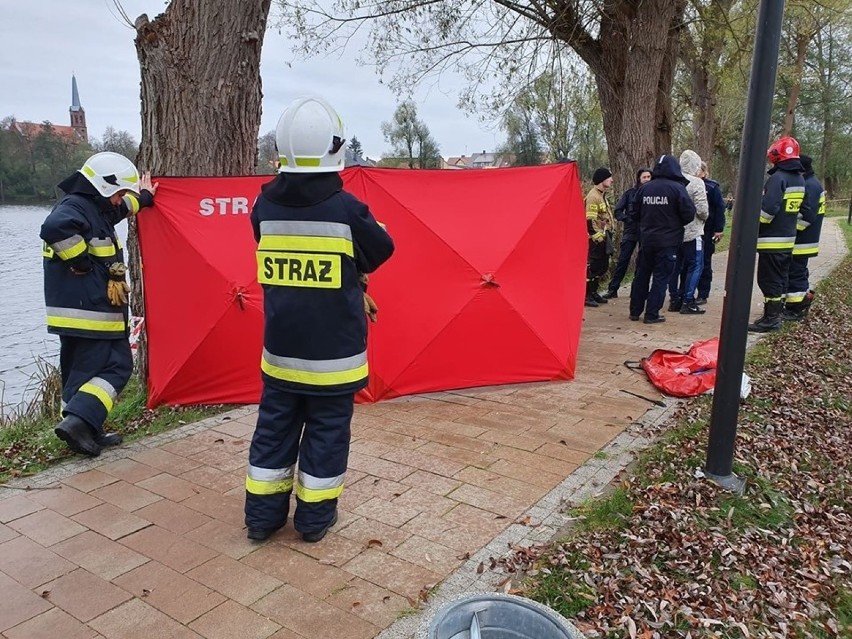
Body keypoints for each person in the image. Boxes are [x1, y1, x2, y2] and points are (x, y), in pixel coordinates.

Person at [244, 96, 395, 543]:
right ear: (335, 151)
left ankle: (262, 518)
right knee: (327, 436)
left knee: (273, 432)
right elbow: (381, 251)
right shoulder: (347, 210)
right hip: (334, 358)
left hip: (281, 354)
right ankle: (313, 521)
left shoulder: (263, 207)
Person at [40, 152, 158, 457]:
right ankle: (79, 422)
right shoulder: (74, 209)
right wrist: (79, 260)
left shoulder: (93, 207)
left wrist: (143, 198)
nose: (120, 200)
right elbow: (55, 228)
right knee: (119, 366)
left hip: (81, 313)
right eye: (119, 193)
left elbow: (117, 212)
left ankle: (86, 429)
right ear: (104, 188)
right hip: (90, 312)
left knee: (81, 374)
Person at [748, 136, 807, 332]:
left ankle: (771, 319)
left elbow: (767, 211)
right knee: (780, 279)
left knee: (768, 280)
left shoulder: (778, 178)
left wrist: (752, 227)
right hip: (788, 239)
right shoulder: (799, 178)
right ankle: (775, 315)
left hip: (771, 241)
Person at [628, 155, 696, 324]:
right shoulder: (678, 189)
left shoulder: (644, 189)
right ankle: (652, 314)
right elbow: (688, 214)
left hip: (647, 241)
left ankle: (635, 311)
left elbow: (634, 213)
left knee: (641, 276)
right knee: (661, 278)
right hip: (668, 243)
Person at [784, 153, 825, 321]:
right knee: (798, 271)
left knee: (796, 273)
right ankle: (798, 303)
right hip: (804, 239)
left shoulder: (810, 185)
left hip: (803, 240)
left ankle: (796, 309)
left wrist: (789, 230)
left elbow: (808, 216)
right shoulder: (811, 183)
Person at [668, 150, 709, 315]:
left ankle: (674, 299)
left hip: (674, 232)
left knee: (675, 267)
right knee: (696, 265)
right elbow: (702, 209)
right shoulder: (697, 183)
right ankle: (688, 300)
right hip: (693, 231)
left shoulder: (672, 181)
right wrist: (703, 219)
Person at [603, 167, 651, 298]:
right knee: (623, 260)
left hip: (646, 232)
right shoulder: (629, 194)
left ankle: (638, 290)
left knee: (643, 263)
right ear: (639, 179)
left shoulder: (653, 195)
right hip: (630, 231)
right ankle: (613, 289)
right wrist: (628, 219)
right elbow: (618, 211)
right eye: (644, 177)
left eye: (648, 177)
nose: (646, 179)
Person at [695, 161, 726, 305]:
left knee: (705, 262)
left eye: (698, 169)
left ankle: (703, 293)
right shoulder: (687, 184)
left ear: (704, 171)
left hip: (708, 230)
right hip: (692, 230)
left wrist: (719, 229)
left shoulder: (712, 187)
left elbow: (720, 208)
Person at [584, 167, 615, 307]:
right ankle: (587, 295)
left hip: (604, 236)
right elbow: (589, 221)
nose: (612, 180)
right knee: (593, 267)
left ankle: (594, 292)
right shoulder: (593, 197)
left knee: (601, 267)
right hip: (596, 239)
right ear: (602, 179)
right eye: (609, 178)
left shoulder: (601, 195)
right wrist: (597, 238)